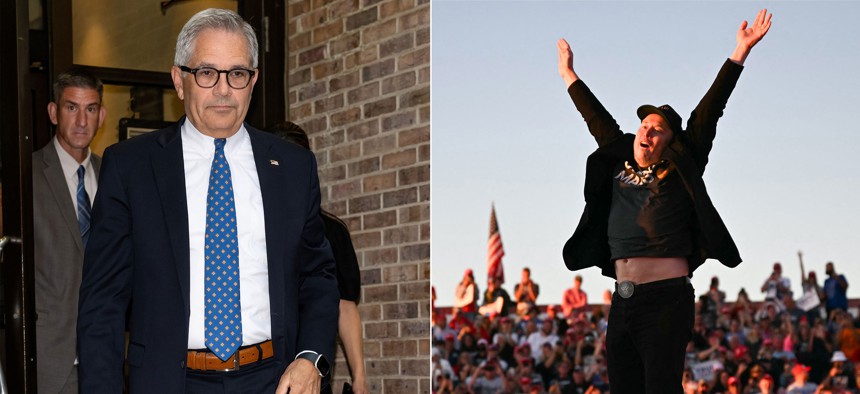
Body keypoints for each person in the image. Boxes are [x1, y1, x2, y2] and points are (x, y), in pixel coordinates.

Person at [76, 8, 338, 394]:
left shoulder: (293, 167)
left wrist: (310, 356)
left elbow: (318, 274)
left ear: (253, 82)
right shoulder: (131, 167)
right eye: (206, 73)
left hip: (273, 380)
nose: (222, 89)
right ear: (179, 81)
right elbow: (103, 301)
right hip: (170, 382)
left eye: (236, 74)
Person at [556, 8, 772, 393]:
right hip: (623, 300)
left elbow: (710, 111)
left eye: (658, 129)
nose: (647, 132)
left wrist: (740, 52)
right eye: (644, 125)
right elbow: (596, 119)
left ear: (670, 141)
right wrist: (569, 76)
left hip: (666, 299)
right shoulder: (618, 156)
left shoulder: (680, 166)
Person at [268, 121, 367, 394]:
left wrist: (359, 378)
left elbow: (345, 307)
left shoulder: (331, 231)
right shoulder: (246, 224)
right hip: (259, 367)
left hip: (310, 370)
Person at [33, 68, 105, 393]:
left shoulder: (115, 175)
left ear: (101, 115)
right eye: (71, 107)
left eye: (90, 109)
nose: (81, 121)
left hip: (105, 358)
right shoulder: (28, 175)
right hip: (48, 359)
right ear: (53, 112)